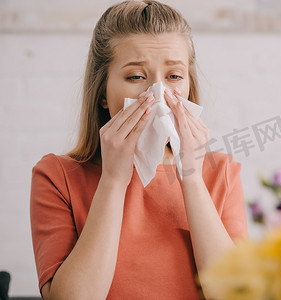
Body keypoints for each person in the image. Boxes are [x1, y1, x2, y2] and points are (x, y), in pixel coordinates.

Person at [29, 1, 248, 299]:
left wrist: (192, 175)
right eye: (135, 77)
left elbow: (235, 294)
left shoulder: (221, 172)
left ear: (188, 86)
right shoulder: (56, 176)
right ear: (103, 93)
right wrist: (113, 180)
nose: (157, 96)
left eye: (173, 77)